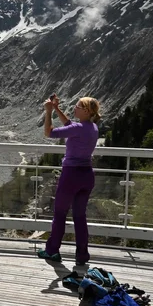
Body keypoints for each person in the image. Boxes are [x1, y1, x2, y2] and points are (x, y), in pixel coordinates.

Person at [37, 94, 101, 265]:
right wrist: (58, 109)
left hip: (71, 175)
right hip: (87, 175)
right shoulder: (93, 128)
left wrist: (49, 111)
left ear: (86, 111)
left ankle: (52, 251)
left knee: (60, 213)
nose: (75, 107)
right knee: (80, 216)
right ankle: (82, 255)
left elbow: (49, 132)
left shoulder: (79, 128)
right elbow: (70, 125)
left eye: (79, 106)